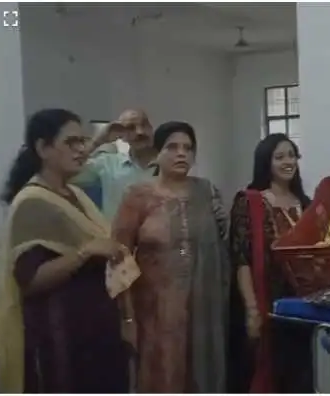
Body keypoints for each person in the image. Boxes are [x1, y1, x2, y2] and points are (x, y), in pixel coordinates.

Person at [0, 109, 130, 393]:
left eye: (82, 141)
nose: (81, 149)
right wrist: (83, 253)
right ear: (43, 148)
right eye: (72, 142)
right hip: (62, 333)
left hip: (97, 327)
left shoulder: (74, 194)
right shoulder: (32, 203)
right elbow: (30, 282)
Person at [112, 121, 230, 393]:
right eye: (172, 147)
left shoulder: (207, 192)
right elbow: (119, 258)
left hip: (205, 314)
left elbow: (222, 250)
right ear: (157, 154)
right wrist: (126, 318)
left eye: (188, 148)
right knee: (162, 378)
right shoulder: (138, 196)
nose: (181, 154)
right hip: (155, 315)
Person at [229, 133, 314, 393]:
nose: (288, 162)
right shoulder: (251, 201)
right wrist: (252, 309)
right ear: (266, 162)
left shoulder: (307, 204)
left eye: (292, 155)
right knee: (267, 373)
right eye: (279, 157)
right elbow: (241, 258)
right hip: (267, 305)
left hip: (303, 306)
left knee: (301, 376)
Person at [72, 108, 157, 220]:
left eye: (144, 125)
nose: (140, 132)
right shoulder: (107, 163)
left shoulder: (167, 166)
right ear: (122, 135)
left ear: (151, 128)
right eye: (131, 128)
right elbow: (70, 176)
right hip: (115, 235)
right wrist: (97, 141)